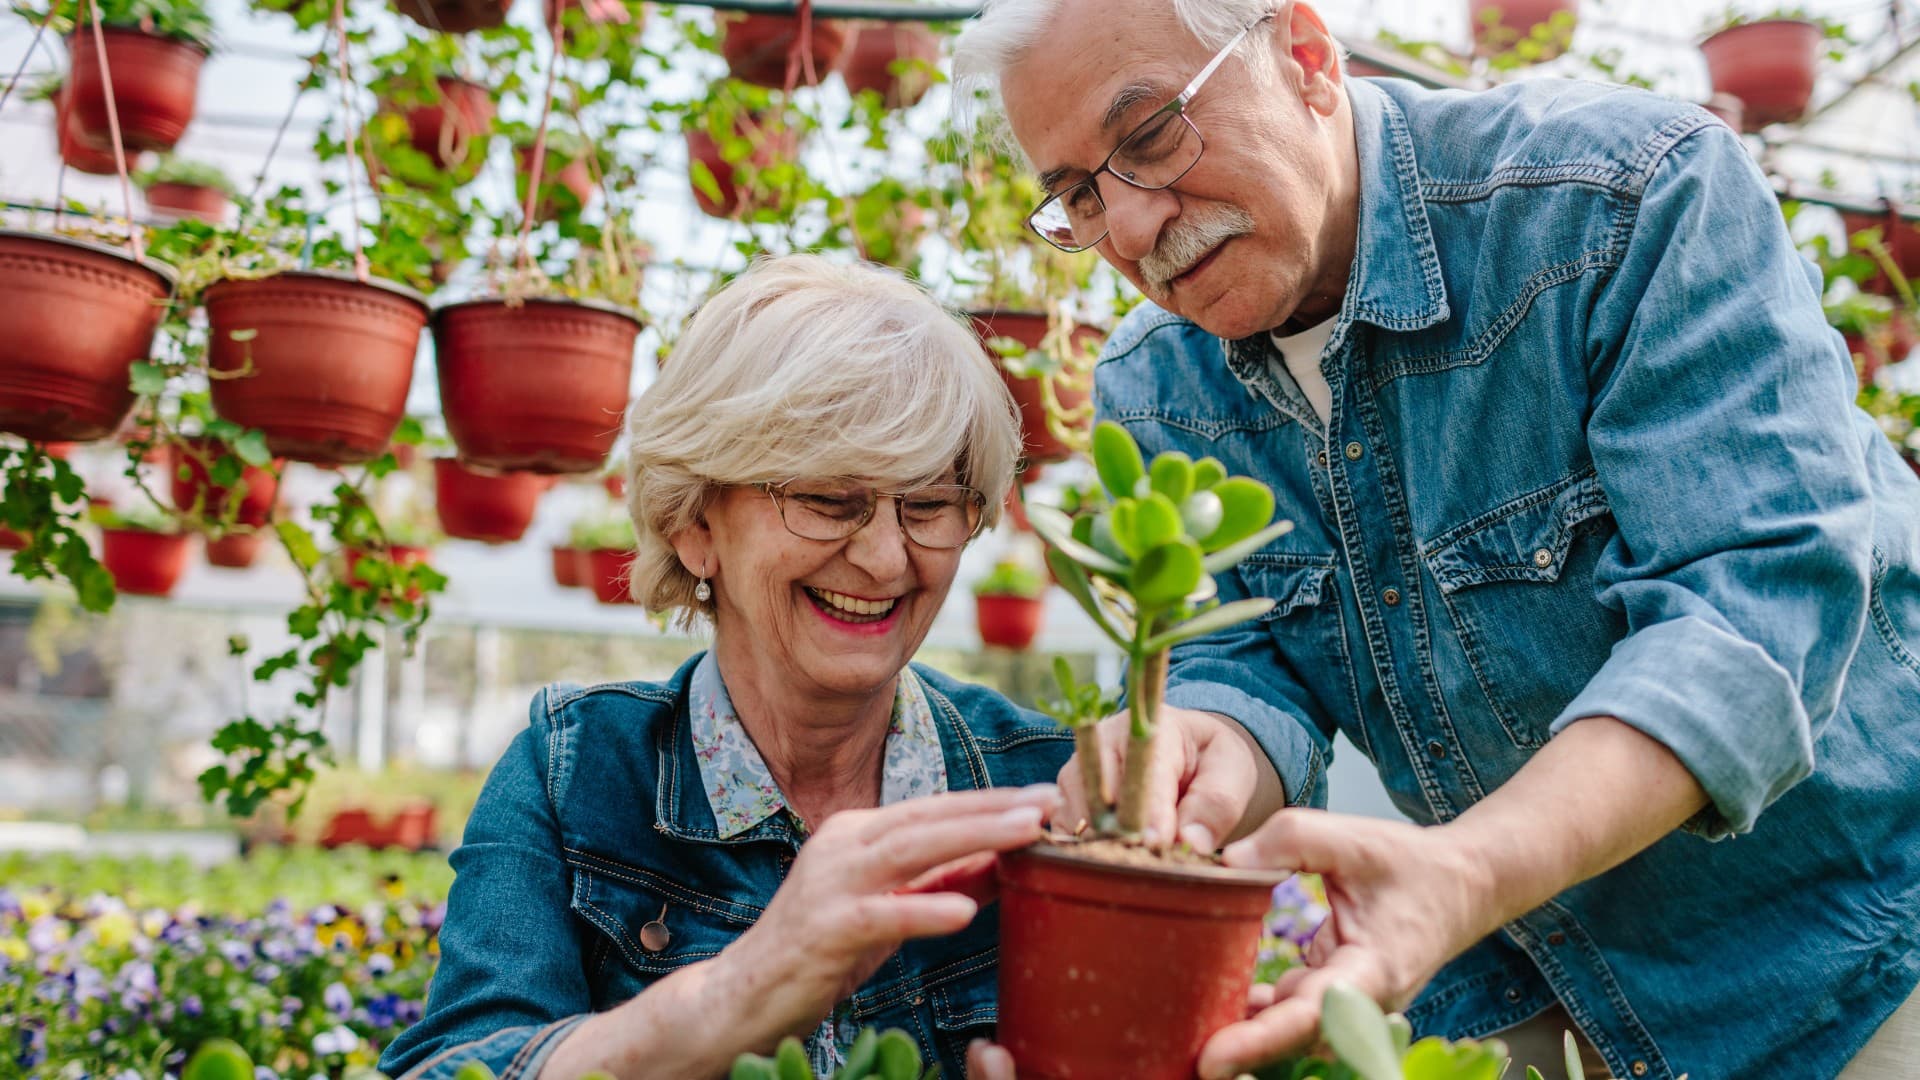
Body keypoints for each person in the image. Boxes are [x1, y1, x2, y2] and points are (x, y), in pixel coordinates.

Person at [952, 2, 1920, 1078]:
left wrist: (1461, 873)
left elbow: (1750, 612)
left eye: (1148, 137)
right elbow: (1251, 657)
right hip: (1512, 982)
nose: (1129, 234)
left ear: (1309, 58)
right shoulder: (1156, 384)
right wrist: (1203, 749)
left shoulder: (1619, 196)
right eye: (1080, 195)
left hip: (1851, 959)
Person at [377, 255, 1072, 1080]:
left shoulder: (1040, 784)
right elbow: (452, 1065)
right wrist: (737, 991)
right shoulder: (577, 771)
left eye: (927, 504)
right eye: (826, 498)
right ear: (695, 525)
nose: (887, 559)